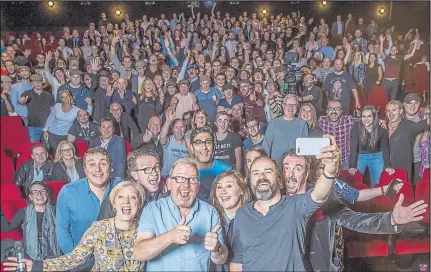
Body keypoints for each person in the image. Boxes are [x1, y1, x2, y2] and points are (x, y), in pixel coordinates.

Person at [281, 150, 427, 272]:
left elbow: (357, 214)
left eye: (297, 168)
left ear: (306, 172)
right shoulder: (272, 204)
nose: (291, 174)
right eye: (286, 168)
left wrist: (392, 219)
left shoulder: (328, 197)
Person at [229, 135, 340, 271]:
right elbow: (238, 261)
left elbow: (318, 195)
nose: (261, 177)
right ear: (250, 179)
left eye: (267, 172)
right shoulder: (242, 214)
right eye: (256, 173)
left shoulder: (294, 206)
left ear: (278, 176)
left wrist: (330, 169)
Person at [4, 181, 146, 271]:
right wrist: (37, 266)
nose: (126, 202)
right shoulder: (98, 228)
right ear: (114, 204)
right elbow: (74, 258)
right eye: (120, 197)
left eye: (132, 197)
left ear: (138, 204)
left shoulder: (147, 229)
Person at [133, 158, 229, 271]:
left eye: (192, 179)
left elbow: (222, 259)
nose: (186, 184)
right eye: (179, 178)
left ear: (198, 186)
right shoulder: (153, 210)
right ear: (169, 183)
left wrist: (217, 249)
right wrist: (169, 237)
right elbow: (139, 253)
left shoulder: (210, 212)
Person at [55, 147, 122, 254]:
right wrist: (74, 257)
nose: (97, 169)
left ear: (110, 168)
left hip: (116, 255)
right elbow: (62, 230)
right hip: (82, 258)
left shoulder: (122, 187)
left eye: (103, 164)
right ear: (85, 169)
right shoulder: (68, 192)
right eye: (92, 164)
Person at [1, 182, 61, 260]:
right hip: (29, 254)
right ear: (30, 196)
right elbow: (7, 229)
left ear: (47, 194)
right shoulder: (23, 212)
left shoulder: (56, 212)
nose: (39, 194)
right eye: (35, 192)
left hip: (52, 252)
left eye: (42, 191)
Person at [209, 170, 252, 271]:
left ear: (241, 190)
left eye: (228, 186)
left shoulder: (253, 218)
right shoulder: (211, 219)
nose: (223, 191)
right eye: (219, 187)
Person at [349, 106, 394, 187]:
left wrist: (387, 166)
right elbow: (353, 147)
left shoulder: (382, 129)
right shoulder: (356, 127)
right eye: (364, 116)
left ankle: (376, 199)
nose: (366, 119)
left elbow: (385, 148)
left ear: (374, 116)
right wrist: (352, 166)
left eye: (369, 116)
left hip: (376, 157)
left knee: (377, 184)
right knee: (355, 183)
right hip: (361, 156)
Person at [385, 100, 428, 180]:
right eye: (388, 110)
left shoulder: (407, 125)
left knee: (402, 190)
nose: (390, 113)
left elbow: (421, 125)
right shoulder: (383, 126)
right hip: (385, 167)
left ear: (401, 111)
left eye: (394, 110)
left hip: (402, 168)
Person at [263, 94, 308, 169]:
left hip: (295, 166)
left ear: (297, 107)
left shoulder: (302, 124)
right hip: (276, 166)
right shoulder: (273, 123)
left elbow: (304, 148)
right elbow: (266, 147)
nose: (291, 107)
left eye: (294, 105)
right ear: (283, 106)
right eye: (288, 104)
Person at [190, 126, 231, 200]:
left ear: (214, 146)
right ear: (192, 148)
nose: (204, 147)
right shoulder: (184, 172)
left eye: (208, 142)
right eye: (198, 143)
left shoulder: (226, 171)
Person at [319, 100, 360, 170]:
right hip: (328, 161)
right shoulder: (321, 120)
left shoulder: (348, 120)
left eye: (337, 109)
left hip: (344, 161)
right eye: (331, 109)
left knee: (344, 180)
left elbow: (365, 120)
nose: (334, 111)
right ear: (327, 111)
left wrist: (380, 121)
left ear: (341, 111)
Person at [19, 74, 55, 143]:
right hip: (33, 127)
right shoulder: (27, 93)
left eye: (40, 81)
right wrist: (22, 100)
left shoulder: (49, 95)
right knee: (34, 147)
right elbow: (21, 100)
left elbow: (52, 111)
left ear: (42, 82)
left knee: (48, 148)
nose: (38, 83)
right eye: (35, 81)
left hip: (47, 128)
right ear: (32, 83)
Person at [160, 108, 188, 178]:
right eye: (176, 127)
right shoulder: (169, 140)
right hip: (167, 176)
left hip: (183, 177)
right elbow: (162, 137)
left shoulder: (188, 143)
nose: (179, 130)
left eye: (181, 127)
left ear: (185, 128)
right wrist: (168, 121)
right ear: (172, 129)